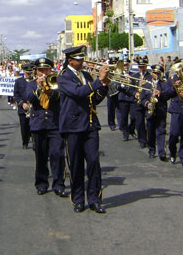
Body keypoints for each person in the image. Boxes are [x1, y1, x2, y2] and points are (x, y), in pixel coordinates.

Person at [57, 45, 110, 214]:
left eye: (82, 58)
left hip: (90, 124)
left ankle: (95, 199)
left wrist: (104, 86)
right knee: (76, 164)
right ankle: (78, 199)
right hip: (72, 126)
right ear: (70, 60)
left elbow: (94, 99)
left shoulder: (87, 75)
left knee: (94, 162)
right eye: (79, 59)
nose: (82, 61)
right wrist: (98, 82)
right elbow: (78, 92)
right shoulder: (63, 77)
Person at [24, 57, 68, 197]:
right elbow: (29, 99)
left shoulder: (57, 82)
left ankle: (59, 184)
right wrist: (39, 86)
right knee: (41, 156)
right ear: (36, 71)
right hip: (39, 124)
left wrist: (48, 88)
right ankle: (41, 183)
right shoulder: (31, 84)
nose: (43, 72)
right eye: (41, 70)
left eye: (46, 69)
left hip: (55, 124)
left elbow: (59, 97)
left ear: (51, 70)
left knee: (57, 155)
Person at [140, 65, 168, 161]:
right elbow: (142, 98)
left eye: (158, 73)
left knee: (161, 132)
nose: (155, 75)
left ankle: (162, 152)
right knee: (151, 132)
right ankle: (151, 150)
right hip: (150, 111)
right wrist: (147, 103)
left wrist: (161, 93)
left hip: (160, 110)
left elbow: (168, 95)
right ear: (151, 73)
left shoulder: (164, 84)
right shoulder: (147, 85)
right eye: (154, 73)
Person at [130, 62, 152, 148]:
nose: (141, 69)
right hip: (137, 102)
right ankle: (142, 140)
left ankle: (150, 139)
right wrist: (135, 93)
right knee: (139, 123)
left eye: (143, 67)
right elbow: (130, 88)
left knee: (149, 122)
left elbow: (152, 87)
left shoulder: (150, 76)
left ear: (146, 66)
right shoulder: (134, 76)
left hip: (147, 102)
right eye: (140, 67)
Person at [13, 62, 34, 149]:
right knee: (24, 127)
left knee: (33, 126)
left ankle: (35, 143)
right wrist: (22, 103)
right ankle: (25, 142)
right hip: (23, 108)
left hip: (33, 107)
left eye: (30, 72)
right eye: (27, 72)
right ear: (24, 71)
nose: (29, 74)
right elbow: (16, 94)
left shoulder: (35, 80)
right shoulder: (19, 81)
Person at [116, 62, 135, 141]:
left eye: (126, 65)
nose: (125, 67)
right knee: (124, 118)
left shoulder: (133, 74)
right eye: (124, 65)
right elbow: (116, 86)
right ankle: (125, 134)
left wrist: (130, 81)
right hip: (122, 99)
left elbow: (136, 84)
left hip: (131, 98)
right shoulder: (118, 75)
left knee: (134, 117)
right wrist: (123, 84)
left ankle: (131, 129)